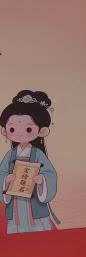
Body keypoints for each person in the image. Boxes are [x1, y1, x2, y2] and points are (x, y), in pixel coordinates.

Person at [0, 90, 59, 234]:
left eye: (28, 128)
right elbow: (1, 172)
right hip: (15, 202)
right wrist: (6, 180)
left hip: (33, 202)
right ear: (4, 130)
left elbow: (50, 173)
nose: (20, 133)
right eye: (12, 128)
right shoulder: (10, 155)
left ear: (41, 131)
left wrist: (42, 180)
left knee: (38, 235)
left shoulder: (38, 154)